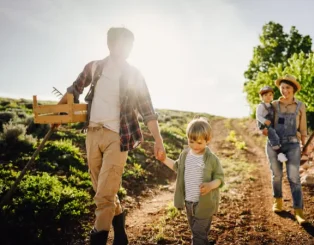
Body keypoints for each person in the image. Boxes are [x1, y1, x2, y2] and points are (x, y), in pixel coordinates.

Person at [57, 27, 166, 245]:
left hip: (118, 138)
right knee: (102, 189)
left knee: (103, 196)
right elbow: (74, 88)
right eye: (124, 44)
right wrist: (59, 112)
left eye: (130, 45)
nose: (128, 49)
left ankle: (97, 238)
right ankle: (120, 227)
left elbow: (147, 110)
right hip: (93, 134)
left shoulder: (134, 74)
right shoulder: (95, 67)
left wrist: (159, 140)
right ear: (111, 44)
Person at [160, 117, 224, 245]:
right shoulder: (185, 155)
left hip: (205, 204)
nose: (195, 146)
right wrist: (163, 159)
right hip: (189, 203)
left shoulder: (212, 159)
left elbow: (220, 179)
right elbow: (176, 167)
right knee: (198, 234)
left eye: (199, 143)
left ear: (208, 140)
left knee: (198, 236)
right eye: (191, 141)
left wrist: (211, 185)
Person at [263, 74, 308, 225]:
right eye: (282, 87)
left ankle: (298, 211)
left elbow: (303, 129)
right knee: (276, 175)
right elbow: (265, 121)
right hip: (275, 145)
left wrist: (305, 147)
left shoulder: (300, 106)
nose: (284, 90)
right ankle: (278, 201)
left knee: (294, 177)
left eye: (287, 87)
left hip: (292, 145)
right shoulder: (274, 105)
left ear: (293, 89)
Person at [256, 86, 288, 162]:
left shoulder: (272, 106)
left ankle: (283, 149)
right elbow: (258, 116)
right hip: (264, 125)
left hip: (271, 123)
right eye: (265, 95)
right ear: (262, 97)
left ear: (272, 96)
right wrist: (264, 121)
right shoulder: (261, 106)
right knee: (273, 134)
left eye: (270, 95)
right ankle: (279, 153)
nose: (268, 97)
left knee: (281, 131)